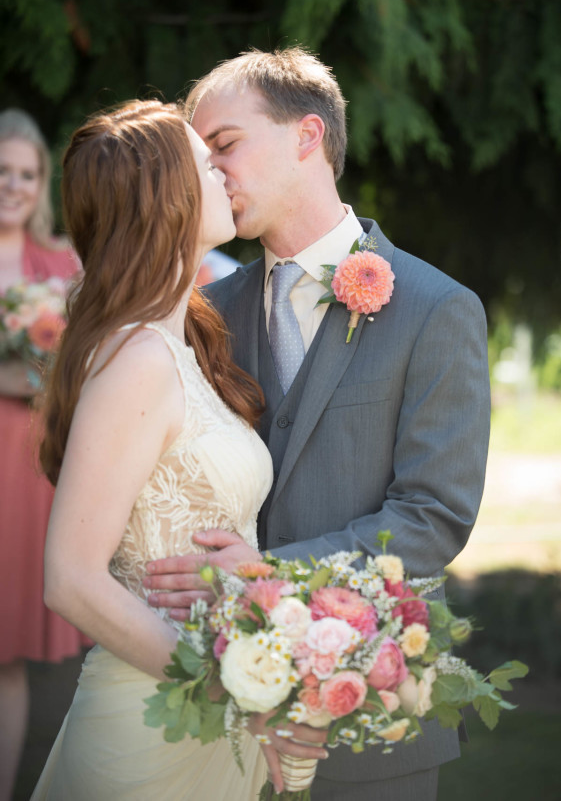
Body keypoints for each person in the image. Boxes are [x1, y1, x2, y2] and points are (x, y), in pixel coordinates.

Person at [143, 48, 491, 801]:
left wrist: (269, 576)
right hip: (217, 723)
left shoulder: (437, 310)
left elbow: (433, 517)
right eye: (201, 157)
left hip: (371, 706)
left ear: (306, 136)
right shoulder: (207, 316)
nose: (212, 173)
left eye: (225, 145)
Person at [31, 99, 327, 799]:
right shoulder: (136, 358)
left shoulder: (183, 344)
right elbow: (69, 578)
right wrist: (235, 697)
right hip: (151, 727)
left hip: (211, 716)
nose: (223, 172)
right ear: (164, 198)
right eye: (204, 162)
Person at [0, 108, 89, 801]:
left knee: (6, 656)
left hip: (23, 463)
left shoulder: (63, 263)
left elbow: (81, 363)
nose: (13, 185)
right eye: (1, 171)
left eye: (26, 174)